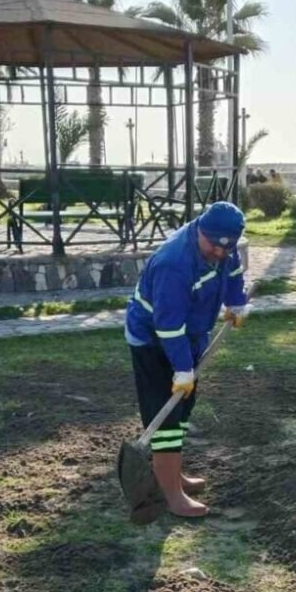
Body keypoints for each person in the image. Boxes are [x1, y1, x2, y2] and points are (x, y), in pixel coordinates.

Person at [125, 201, 251, 517]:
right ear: (201, 231)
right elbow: (167, 327)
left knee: (183, 406)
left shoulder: (223, 244)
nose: (220, 253)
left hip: (192, 333)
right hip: (153, 339)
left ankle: (171, 472)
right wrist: (182, 369)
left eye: (227, 247)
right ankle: (172, 495)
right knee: (165, 416)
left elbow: (233, 271)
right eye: (213, 246)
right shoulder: (174, 263)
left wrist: (236, 304)